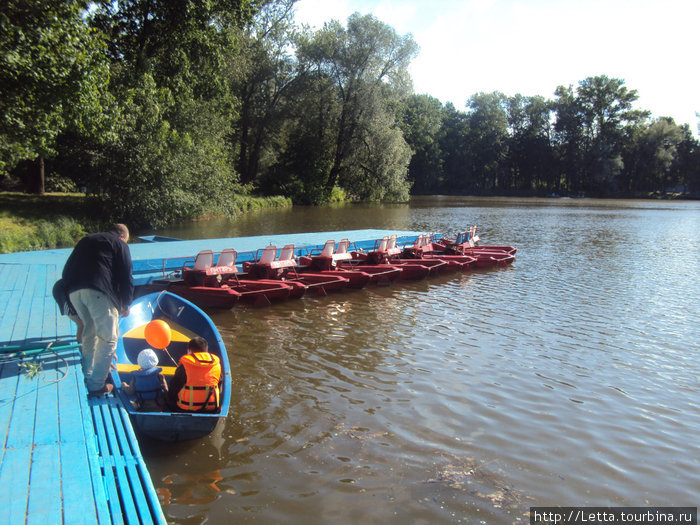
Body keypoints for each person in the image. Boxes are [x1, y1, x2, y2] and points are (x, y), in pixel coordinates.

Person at [62, 223, 134, 396]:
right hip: (97, 291)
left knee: (90, 332)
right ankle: (96, 385)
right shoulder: (119, 244)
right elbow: (126, 273)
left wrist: (70, 294)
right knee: (108, 338)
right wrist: (126, 302)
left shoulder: (86, 239)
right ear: (122, 236)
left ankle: (88, 373)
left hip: (74, 292)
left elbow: (66, 270)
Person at [167, 337, 222, 412]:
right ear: (206, 351)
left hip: (186, 409)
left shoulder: (185, 365)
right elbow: (219, 384)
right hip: (211, 409)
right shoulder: (216, 364)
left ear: (189, 350)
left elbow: (174, 387)